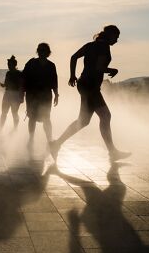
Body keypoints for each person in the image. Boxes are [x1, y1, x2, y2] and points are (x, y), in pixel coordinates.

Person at [49, 25, 131, 163]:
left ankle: (56, 144)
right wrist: (113, 70)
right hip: (91, 86)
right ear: (110, 35)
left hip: (84, 84)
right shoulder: (104, 47)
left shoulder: (90, 45)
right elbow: (99, 68)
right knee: (105, 116)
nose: (117, 40)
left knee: (84, 121)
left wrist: (72, 75)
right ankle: (112, 152)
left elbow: (74, 57)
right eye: (116, 37)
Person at [22, 43, 59, 145]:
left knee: (46, 118)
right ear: (38, 51)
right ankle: (31, 139)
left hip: (46, 95)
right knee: (32, 117)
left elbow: (54, 80)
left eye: (44, 50)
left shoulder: (51, 65)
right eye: (40, 50)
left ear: (47, 52)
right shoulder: (31, 63)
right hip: (32, 94)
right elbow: (23, 78)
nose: (42, 52)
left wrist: (56, 94)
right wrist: (22, 92)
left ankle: (49, 139)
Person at [0, 55, 23, 131]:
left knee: (13, 113)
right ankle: (1, 128)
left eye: (9, 64)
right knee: (5, 112)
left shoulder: (18, 74)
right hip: (9, 94)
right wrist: (3, 85)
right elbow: (6, 84)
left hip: (14, 95)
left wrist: (21, 97)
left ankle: (14, 128)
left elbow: (21, 86)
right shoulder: (9, 73)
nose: (8, 66)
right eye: (8, 65)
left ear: (14, 65)